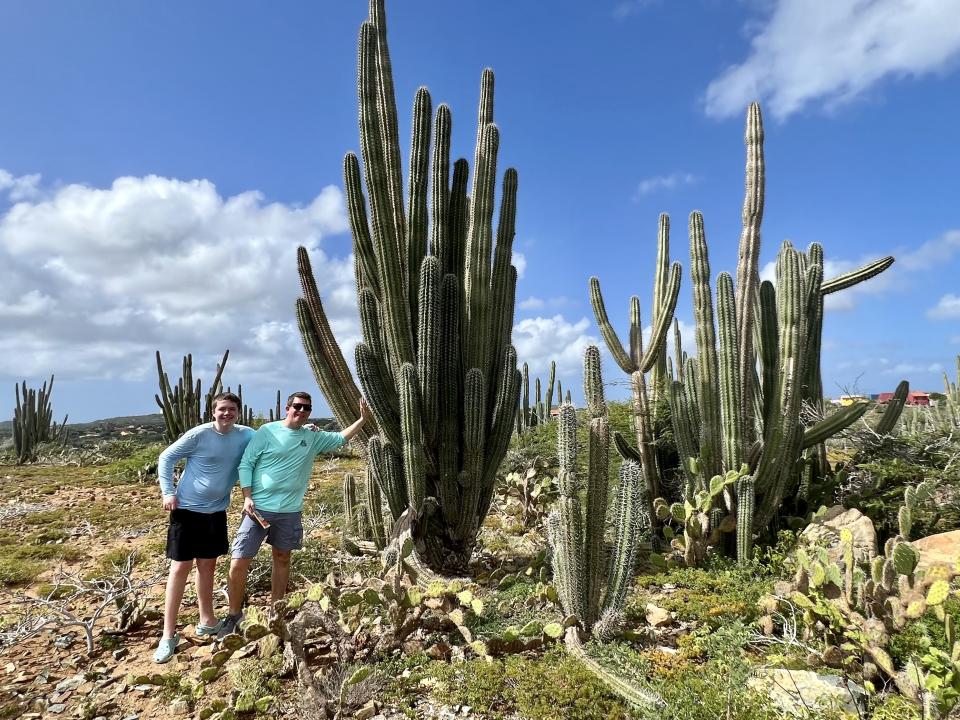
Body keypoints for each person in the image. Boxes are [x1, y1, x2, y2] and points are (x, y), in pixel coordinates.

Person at [217, 391, 371, 639]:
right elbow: (246, 463)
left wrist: (362, 420)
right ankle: (233, 615)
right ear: (286, 408)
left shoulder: (312, 437)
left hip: (289, 510)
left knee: (282, 558)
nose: (301, 411)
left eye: (306, 408)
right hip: (257, 509)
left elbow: (341, 438)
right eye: (297, 406)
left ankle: (275, 611)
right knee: (239, 561)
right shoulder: (266, 432)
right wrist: (247, 496)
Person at [154, 392, 254, 663]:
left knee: (207, 566)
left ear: (238, 412)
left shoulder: (245, 435)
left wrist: (306, 428)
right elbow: (166, 458)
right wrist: (167, 492)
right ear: (213, 412)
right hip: (186, 510)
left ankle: (207, 620)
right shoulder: (199, 434)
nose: (226, 414)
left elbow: (275, 438)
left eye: (232, 409)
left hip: (216, 512)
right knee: (179, 569)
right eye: (222, 409)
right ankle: (168, 634)